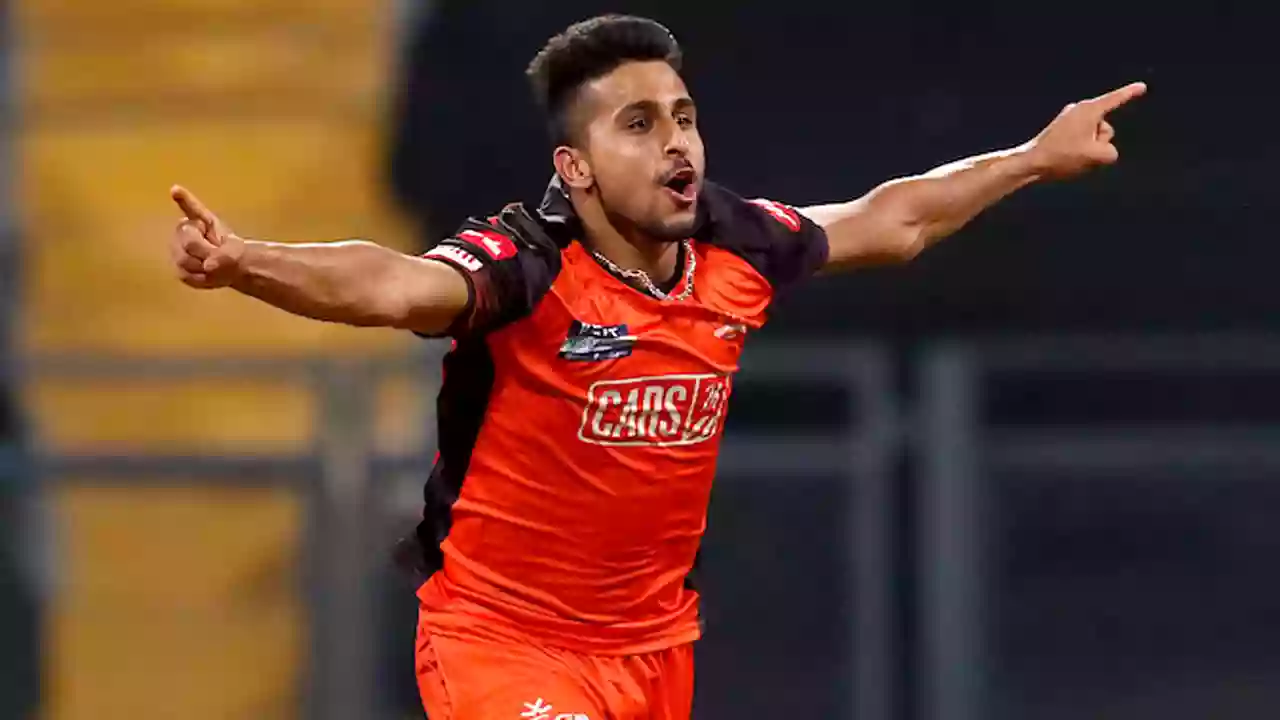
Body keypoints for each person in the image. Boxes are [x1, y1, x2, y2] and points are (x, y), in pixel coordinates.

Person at [167, 14, 1144, 720]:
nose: (675, 142)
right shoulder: (526, 267)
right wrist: (245, 262)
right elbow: (387, 285)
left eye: (682, 116)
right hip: (500, 643)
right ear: (576, 169)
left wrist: (1031, 156)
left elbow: (893, 222)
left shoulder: (735, 246)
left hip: (651, 649)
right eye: (637, 124)